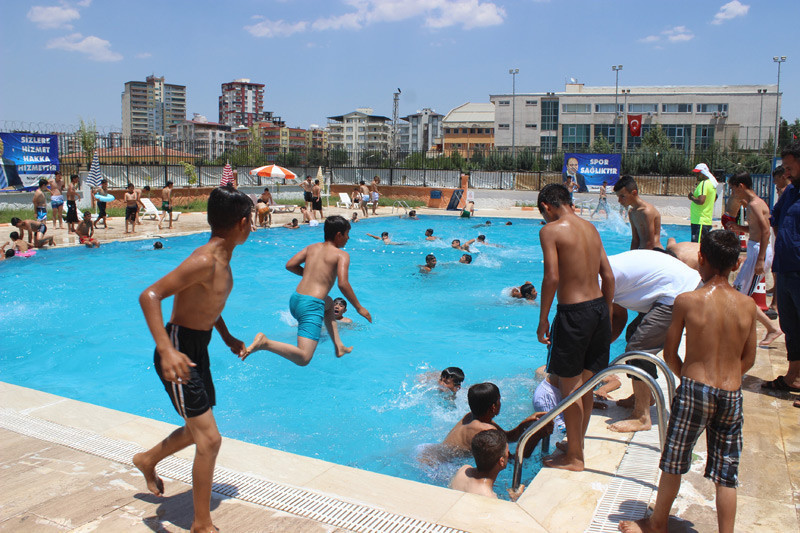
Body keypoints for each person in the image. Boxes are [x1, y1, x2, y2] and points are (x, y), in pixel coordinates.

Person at [618, 229, 757, 533]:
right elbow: (749, 359)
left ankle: (657, 523)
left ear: (701, 258)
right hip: (731, 393)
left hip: (695, 389)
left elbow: (669, 354)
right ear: (736, 264)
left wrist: (690, 380)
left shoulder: (687, 300)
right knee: (726, 472)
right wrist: (729, 379)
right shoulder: (748, 305)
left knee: (674, 460)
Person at [132, 186, 253, 533]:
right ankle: (201, 524)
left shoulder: (222, 259)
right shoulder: (204, 260)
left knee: (197, 429)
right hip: (178, 348)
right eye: (252, 219)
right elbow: (150, 295)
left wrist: (226, 336)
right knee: (209, 439)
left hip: (199, 346)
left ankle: (147, 459)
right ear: (242, 223)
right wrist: (167, 351)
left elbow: (208, 302)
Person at [536, 183, 613, 471]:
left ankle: (575, 458)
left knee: (569, 389)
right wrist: (606, 312)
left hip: (574, 315)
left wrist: (543, 319)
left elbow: (552, 277)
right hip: (599, 310)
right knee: (587, 386)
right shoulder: (591, 228)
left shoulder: (550, 230)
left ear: (546, 206)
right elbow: (608, 275)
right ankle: (575, 444)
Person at [245, 215, 372, 364]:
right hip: (311, 305)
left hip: (296, 299)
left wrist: (311, 274)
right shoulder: (341, 255)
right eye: (347, 234)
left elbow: (290, 265)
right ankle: (265, 343)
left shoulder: (312, 248)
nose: (348, 238)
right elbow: (343, 284)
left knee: (329, 303)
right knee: (304, 358)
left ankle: (338, 345)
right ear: (339, 235)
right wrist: (359, 308)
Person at [606, 249, 702, 433]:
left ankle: (641, 417)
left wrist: (596, 354)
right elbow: (619, 316)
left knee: (638, 348)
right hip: (676, 286)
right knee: (634, 334)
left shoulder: (597, 278)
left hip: (679, 291)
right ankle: (645, 396)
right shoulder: (602, 267)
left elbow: (608, 320)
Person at [725, 172, 783, 347]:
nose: (733, 193)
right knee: (739, 294)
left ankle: (769, 329)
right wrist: (739, 227)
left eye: (733, 189)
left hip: (758, 252)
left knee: (740, 296)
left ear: (741, 186)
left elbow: (765, 231)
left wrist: (760, 259)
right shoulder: (752, 204)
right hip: (755, 251)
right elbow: (755, 229)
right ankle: (766, 328)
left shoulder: (755, 204)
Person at [762, 142, 800, 403]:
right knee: (791, 327)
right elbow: (774, 219)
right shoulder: (790, 192)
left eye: (789, 167)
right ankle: (793, 377)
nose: (785, 172)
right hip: (786, 268)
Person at [443, 383, 552, 456]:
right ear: (493, 407)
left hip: (436, 454)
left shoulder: (471, 417)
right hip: (442, 466)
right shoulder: (486, 430)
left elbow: (507, 437)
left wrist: (525, 423)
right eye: (499, 400)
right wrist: (537, 436)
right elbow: (511, 461)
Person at [449, 429, 524, 501]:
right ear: (502, 461)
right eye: (507, 452)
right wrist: (515, 499)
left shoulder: (463, 470)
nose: (508, 454)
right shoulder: (489, 497)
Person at [613, 176, 662, 250]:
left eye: (622, 196)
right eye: (618, 197)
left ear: (634, 193)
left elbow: (650, 242)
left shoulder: (647, 212)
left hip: (655, 252)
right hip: (642, 251)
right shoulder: (632, 212)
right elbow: (635, 240)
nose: (619, 201)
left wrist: (640, 255)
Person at [688, 163, 717, 243]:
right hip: (703, 221)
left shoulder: (704, 183)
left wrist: (691, 197)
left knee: (697, 246)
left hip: (700, 221)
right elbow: (715, 197)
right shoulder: (711, 184)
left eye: (698, 173)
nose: (696, 175)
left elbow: (701, 201)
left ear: (703, 173)